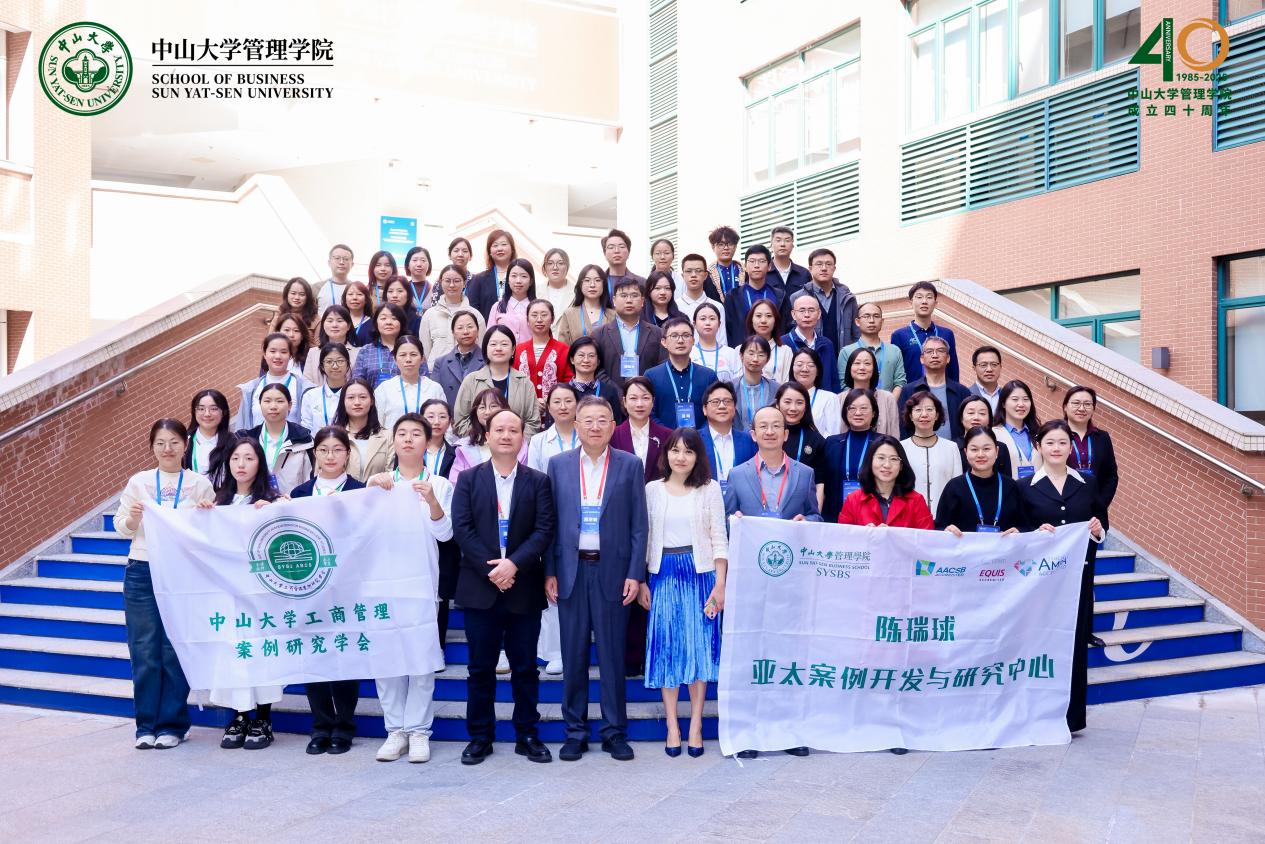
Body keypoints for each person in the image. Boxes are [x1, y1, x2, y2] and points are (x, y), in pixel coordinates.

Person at [546, 397, 649, 762]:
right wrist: (550, 571)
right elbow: (550, 523)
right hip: (571, 572)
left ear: (612, 425)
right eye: (587, 420)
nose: (594, 426)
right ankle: (575, 732)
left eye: (602, 420)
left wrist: (635, 574)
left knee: (612, 658)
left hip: (613, 573)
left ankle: (614, 732)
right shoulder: (558, 464)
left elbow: (639, 526)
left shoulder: (630, 464)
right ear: (576, 424)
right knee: (572, 657)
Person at [452, 409, 557, 765]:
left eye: (513, 430)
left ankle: (527, 734)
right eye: (500, 429)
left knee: (525, 667)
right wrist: (493, 569)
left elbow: (544, 529)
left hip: (523, 585)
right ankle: (480, 736)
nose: (506, 435)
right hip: (480, 588)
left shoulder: (538, 481)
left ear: (522, 437)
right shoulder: (469, 479)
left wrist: (513, 564)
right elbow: (462, 528)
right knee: (479, 668)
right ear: (488, 434)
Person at [726, 405, 823, 756]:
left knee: (789, 655)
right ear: (753, 434)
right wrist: (734, 522)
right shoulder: (737, 475)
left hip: (790, 580)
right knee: (751, 655)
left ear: (786, 433)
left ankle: (789, 731)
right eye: (762, 426)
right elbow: (725, 521)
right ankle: (748, 734)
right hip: (751, 581)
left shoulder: (804, 473)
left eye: (776, 426)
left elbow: (816, 515)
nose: (769, 431)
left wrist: (807, 523)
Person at [114, 419, 216, 749]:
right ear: (152, 447)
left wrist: (206, 514)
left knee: (175, 648)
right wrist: (133, 518)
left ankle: (172, 725)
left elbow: (209, 532)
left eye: (174, 442)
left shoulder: (199, 484)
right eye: (160, 443)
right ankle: (145, 726)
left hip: (182, 572)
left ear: (185, 445)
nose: (167, 448)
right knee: (144, 648)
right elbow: (122, 527)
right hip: (142, 568)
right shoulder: (139, 482)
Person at [363, 414, 453, 763]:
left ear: (428, 442)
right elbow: (362, 531)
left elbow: (445, 534)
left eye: (417, 434)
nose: (408, 439)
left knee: (421, 661)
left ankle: (418, 732)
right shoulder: (378, 483)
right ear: (394, 441)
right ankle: (394, 731)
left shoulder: (439, 484)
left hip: (422, 585)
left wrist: (432, 502)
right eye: (402, 433)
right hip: (381, 585)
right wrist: (370, 490)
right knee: (386, 662)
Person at [1017, 420, 1109, 734]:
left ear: (1071, 448)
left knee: (1074, 644)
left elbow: (1101, 523)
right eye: (1050, 443)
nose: (1056, 448)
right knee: (1039, 642)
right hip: (1039, 583)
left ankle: (1072, 717)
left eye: (1062, 443)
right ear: (1038, 447)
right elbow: (1019, 531)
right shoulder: (1024, 486)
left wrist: (1097, 530)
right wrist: (1034, 532)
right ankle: (1036, 712)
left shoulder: (1087, 482)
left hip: (1077, 579)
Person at [640, 428, 727, 758]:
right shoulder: (652, 490)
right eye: (675, 450)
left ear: (697, 456)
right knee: (667, 649)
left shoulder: (709, 489)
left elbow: (719, 539)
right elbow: (644, 539)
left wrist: (720, 585)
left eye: (688, 451)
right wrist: (642, 581)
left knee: (698, 649)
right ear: (666, 455)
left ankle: (696, 726)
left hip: (700, 574)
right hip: (662, 575)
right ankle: (672, 726)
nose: (681, 457)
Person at [197, 435, 283, 751]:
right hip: (227, 594)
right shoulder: (219, 502)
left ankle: (263, 718)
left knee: (260, 652)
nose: (241, 464)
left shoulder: (272, 500)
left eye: (248, 458)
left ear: (260, 463)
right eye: (235, 458)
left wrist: (274, 512)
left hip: (261, 595)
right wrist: (202, 515)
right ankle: (238, 717)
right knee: (234, 652)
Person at [286, 429, 368, 757]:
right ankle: (320, 726)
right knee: (314, 654)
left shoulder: (361, 492)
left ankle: (344, 726)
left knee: (344, 654)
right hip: (309, 586)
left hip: (348, 586)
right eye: (323, 450)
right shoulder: (299, 494)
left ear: (348, 454)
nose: (330, 456)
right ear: (315, 454)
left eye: (337, 449)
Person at [421, 399, 461, 653]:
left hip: (446, 520)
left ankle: (438, 647)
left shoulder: (457, 453)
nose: (436, 422)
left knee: (442, 586)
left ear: (450, 422)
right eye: (430, 416)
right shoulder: (410, 451)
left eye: (442, 416)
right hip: (417, 525)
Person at [453, 325, 542, 438]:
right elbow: (460, 421)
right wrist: (484, 440)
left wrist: (514, 441)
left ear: (513, 349)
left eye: (504, 344)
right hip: (479, 446)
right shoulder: (471, 381)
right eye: (493, 344)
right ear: (485, 349)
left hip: (516, 447)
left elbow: (533, 422)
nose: (498, 348)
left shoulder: (524, 382)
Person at [935, 426, 1023, 535]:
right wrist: (946, 530)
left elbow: (1025, 525)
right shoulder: (954, 487)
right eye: (974, 449)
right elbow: (939, 527)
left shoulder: (1010, 486)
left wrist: (1019, 530)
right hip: (966, 546)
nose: (980, 454)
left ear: (997, 451)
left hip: (1004, 546)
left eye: (986, 449)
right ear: (966, 452)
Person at [837, 434, 935, 530]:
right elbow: (842, 537)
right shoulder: (853, 500)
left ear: (901, 465)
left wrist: (893, 536)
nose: (887, 465)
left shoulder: (916, 500)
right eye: (881, 458)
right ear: (870, 461)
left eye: (893, 459)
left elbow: (927, 539)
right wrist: (863, 535)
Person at [236, 383, 313, 495]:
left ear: (290, 405)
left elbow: (310, 479)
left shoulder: (304, 439)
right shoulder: (246, 440)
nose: (273, 406)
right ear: (260, 404)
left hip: (293, 502)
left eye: (279, 401)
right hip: (255, 502)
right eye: (267, 401)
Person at [645, 316, 718, 429]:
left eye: (686, 335)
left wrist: (699, 435)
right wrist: (668, 435)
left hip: (700, 438)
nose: (680, 340)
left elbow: (714, 411)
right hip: (664, 439)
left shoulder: (708, 376)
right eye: (674, 336)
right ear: (664, 342)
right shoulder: (651, 376)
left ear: (693, 341)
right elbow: (649, 413)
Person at [592, 278, 665, 388]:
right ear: (614, 300)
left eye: (634, 295)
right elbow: (597, 369)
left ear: (642, 301)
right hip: (611, 395)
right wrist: (616, 392)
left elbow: (662, 366)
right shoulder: (599, 334)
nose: (629, 300)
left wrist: (645, 391)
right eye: (623, 295)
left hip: (648, 394)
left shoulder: (657, 333)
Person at [782, 248, 857, 355]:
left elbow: (856, 333)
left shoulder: (847, 298)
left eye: (828, 264)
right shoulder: (797, 298)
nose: (824, 268)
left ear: (834, 268)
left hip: (844, 358)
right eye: (819, 264)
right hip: (811, 359)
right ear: (810, 269)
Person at [821, 389, 880, 523]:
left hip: (872, 517)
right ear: (845, 412)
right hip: (835, 516)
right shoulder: (831, 443)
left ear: (874, 413)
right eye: (852, 408)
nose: (857, 413)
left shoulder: (883, 443)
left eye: (864, 408)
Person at [899, 391, 962, 518]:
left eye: (929, 409)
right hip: (909, 517)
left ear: (937, 415)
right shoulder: (901, 448)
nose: (924, 414)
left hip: (944, 518)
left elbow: (958, 487)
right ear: (910, 416)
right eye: (918, 410)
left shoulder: (951, 447)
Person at [234, 333, 311, 431]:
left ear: (290, 355)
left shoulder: (303, 388)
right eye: (273, 351)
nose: (278, 356)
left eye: (283, 352)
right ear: (265, 354)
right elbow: (241, 429)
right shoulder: (251, 390)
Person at [451, 389, 529, 482]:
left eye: (493, 406)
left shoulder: (518, 443)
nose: (487, 412)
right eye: (482, 407)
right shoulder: (464, 447)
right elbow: (456, 481)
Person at [900, 336, 969, 440]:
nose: (935, 355)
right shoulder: (908, 391)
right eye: (929, 351)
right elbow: (902, 426)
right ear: (922, 359)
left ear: (948, 358)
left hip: (955, 448)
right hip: (917, 448)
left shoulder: (962, 392)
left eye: (940, 351)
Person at [891, 281, 960, 383]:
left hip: (941, 390)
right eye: (919, 297)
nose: (924, 301)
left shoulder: (947, 334)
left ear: (935, 303)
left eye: (929, 297)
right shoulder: (899, 335)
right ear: (911, 303)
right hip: (911, 391)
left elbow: (953, 370)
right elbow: (896, 373)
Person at [1063, 386, 1120, 508]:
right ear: (1065, 407)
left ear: (1093, 409)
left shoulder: (1103, 437)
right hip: (1061, 506)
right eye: (1076, 403)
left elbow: (1111, 476)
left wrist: (1100, 506)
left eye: (1087, 404)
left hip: (1094, 510)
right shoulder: (1055, 435)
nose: (1082, 408)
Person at [373, 336, 445, 430]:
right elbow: (377, 426)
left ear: (422, 358)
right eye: (402, 355)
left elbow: (445, 425)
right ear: (395, 359)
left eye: (413, 354)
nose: (408, 359)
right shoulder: (384, 389)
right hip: (392, 439)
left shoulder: (434, 388)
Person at [419, 264, 487, 363]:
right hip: (436, 370)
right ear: (441, 283)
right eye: (447, 281)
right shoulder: (430, 315)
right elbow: (425, 350)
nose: (452, 285)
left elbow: (482, 348)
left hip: (468, 370)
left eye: (456, 281)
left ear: (464, 283)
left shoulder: (475, 315)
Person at [516, 300, 573, 415]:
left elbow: (569, 381)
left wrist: (550, 401)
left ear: (552, 319)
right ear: (527, 320)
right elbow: (513, 383)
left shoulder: (564, 350)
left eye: (544, 315)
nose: (539, 319)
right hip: (524, 413)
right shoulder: (518, 350)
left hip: (555, 413)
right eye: (534, 315)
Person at [611, 376, 673, 482]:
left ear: (653, 401)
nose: (639, 404)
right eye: (633, 398)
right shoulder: (612, 435)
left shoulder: (668, 436)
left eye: (645, 398)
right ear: (624, 401)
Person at [700, 381, 757, 492]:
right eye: (715, 402)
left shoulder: (748, 440)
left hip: (740, 501)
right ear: (704, 409)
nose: (722, 406)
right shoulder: (695, 440)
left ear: (734, 408)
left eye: (727, 401)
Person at [839, 302, 906, 396]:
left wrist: (889, 402)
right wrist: (863, 402)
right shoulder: (846, 352)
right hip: (858, 403)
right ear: (857, 321)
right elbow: (844, 384)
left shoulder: (894, 351)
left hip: (888, 403)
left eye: (876, 316)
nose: (871, 320)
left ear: (882, 321)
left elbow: (900, 383)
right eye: (866, 316)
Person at [332, 378, 393, 481]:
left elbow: (391, 474)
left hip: (378, 490)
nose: (357, 402)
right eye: (351, 397)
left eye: (363, 397)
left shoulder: (388, 436)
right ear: (343, 402)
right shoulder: (332, 436)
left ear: (372, 401)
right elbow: (322, 475)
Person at [775, 382, 827, 500]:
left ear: (806, 406)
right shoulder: (767, 435)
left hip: (803, 504)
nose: (793, 408)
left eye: (799, 403)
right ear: (777, 404)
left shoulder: (816, 440)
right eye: (787, 402)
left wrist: (816, 511)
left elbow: (819, 484)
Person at [724, 244, 782, 346]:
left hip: (774, 350)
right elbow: (728, 329)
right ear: (745, 267)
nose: (756, 265)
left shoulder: (779, 295)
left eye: (761, 261)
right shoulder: (733, 296)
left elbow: (784, 326)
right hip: (742, 350)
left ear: (769, 266)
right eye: (752, 261)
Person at [783, 294, 839, 393]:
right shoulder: (783, 343)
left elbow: (834, 379)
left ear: (819, 314)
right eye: (802, 310)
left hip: (823, 399)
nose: (807, 315)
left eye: (811, 310)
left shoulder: (827, 344)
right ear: (793, 314)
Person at [430, 311, 485, 407]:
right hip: (449, 414)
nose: (466, 332)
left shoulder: (488, 361)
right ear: (453, 332)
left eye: (470, 327)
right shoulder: (440, 363)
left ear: (478, 330)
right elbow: (435, 397)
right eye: (460, 328)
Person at [841, 346, 900, 437]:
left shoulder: (888, 398)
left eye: (867, 363)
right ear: (849, 368)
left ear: (874, 369)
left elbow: (894, 433)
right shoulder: (839, 399)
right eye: (857, 363)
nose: (862, 367)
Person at [993, 379, 1042, 480]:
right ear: (1003, 403)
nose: (1021, 404)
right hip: (1009, 488)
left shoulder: (1039, 433)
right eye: (1015, 399)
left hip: (1037, 488)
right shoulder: (994, 433)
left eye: (1026, 399)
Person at [567, 336, 624, 423]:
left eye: (591, 356)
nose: (586, 360)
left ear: (598, 362)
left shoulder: (610, 391)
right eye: (581, 355)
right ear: (572, 360)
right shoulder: (563, 391)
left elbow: (616, 424)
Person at [527, 383, 580, 474]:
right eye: (557, 402)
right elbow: (534, 478)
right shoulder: (537, 441)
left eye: (568, 401)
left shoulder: (588, 436)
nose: (563, 407)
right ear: (549, 407)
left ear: (577, 405)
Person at [351, 303, 407, 388]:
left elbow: (423, 380)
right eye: (383, 318)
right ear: (376, 323)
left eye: (394, 318)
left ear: (401, 322)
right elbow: (356, 383)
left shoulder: (411, 349)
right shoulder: (366, 351)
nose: (388, 322)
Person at [957, 395, 1014, 478]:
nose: (976, 417)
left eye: (982, 413)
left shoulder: (1001, 448)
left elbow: (1007, 480)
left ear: (989, 419)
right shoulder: (952, 447)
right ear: (961, 418)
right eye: (971, 413)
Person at [556, 264, 614, 346]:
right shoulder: (569, 314)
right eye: (587, 280)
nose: (592, 285)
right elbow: (563, 347)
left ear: (604, 285)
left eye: (597, 280)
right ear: (580, 285)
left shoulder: (614, 315)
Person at [183, 389, 232, 486]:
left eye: (213, 409)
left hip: (224, 495)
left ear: (224, 412)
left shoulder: (233, 442)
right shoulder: (184, 442)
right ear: (194, 412)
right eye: (201, 409)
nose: (207, 414)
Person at [676, 254, 728, 344]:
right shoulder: (675, 306)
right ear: (682, 275)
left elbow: (722, 342)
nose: (693, 275)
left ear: (705, 275)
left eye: (698, 271)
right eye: (689, 271)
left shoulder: (717, 307)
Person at [300, 342, 352, 432]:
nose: (335, 366)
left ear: (347, 365)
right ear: (322, 366)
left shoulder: (355, 396)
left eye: (340, 361)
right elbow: (307, 428)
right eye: (329, 362)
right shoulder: (310, 396)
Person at [791, 348, 840, 438]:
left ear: (818, 371)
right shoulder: (784, 397)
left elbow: (833, 435)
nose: (805, 369)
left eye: (810, 365)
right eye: (799, 364)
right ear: (792, 368)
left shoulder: (829, 398)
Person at [731, 337, 777, 433]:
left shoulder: (776, 389)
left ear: (768, 358)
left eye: (761, 355)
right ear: (741, 355)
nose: (755, 359)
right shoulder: (730, 387)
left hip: (767, 437)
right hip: (738, 439)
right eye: (751, 353)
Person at [304, 305, 360, 383]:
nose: (334, 325)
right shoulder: (313, 352)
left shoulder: (359, 352)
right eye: (330, 321)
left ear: (349, 326)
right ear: (323, 325)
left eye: (339, 321)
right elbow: (307, 382)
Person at [468, 229, 517, 319]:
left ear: (512, 249)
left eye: (504, 244)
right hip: (487, 327)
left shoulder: (520, 277)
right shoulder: (478, 279)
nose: (499, 248)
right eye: (495, 245)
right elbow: (472, 311)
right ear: (489, 252)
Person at [487, 258, 536, 344]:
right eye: (514, 276)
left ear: (531, 281)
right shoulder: (497, 307)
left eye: (524, 276)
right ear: (508, 280)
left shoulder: (537, 307)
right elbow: (489, 338)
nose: (518, 281)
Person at [746, 299, 792, 383]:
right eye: (758, 316)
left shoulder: (785, 351)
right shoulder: (740, 350)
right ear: (751, 320)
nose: (763, 320)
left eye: (769, 316)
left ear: (775, 321)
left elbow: (787, 384)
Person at [690, 302, 738, 381]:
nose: (707, 323)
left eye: (712, 319)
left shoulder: (731, 354)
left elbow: (738, 383)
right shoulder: (689, 354)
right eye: (703, 319)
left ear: (719, 324)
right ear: (694, 324)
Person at [602, 228, 646, 296]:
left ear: (629, 252)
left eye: (622, 247)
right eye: (611, 247)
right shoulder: (598, 282)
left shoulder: (641, 282)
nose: (616, 251)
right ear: (604, 254)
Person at [767, 226, 808, 299]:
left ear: (792, 245)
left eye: (787, 240)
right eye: (778, 240)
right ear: (771, 245)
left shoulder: (804, 273)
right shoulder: (764, 272)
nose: (783, 244)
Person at [706, 226, 744, 299]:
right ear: (713, 247)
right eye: (721, 244)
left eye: (730, 244)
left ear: (736, 246)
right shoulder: (707, 274)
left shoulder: (745, 270)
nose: (726, 248)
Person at [540, 248, 573, 330]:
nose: (555, 267)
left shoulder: (577, 292)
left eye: (560, 263)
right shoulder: (535, 291)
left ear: (567, 267)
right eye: (550, 263)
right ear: (545, 267)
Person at [315, 243, 354, 309]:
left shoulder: (357, 289)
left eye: (346, 259)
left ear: (352, 264)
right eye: (337, 258)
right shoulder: (316, 288)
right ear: (329, 262)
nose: (341, 262)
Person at [969, 345, 1004, 412]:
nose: (989, 369)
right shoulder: (965, 395)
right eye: (983, 365)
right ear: (974, 368)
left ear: (1000, 367)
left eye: (994, 364)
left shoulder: (1007, 396)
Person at [404, 245, 434, 314]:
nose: (419, 264)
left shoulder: (435, 290)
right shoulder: (403, 288)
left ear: (429, 265)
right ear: (408, 265)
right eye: (415, 260)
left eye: (423, 260)